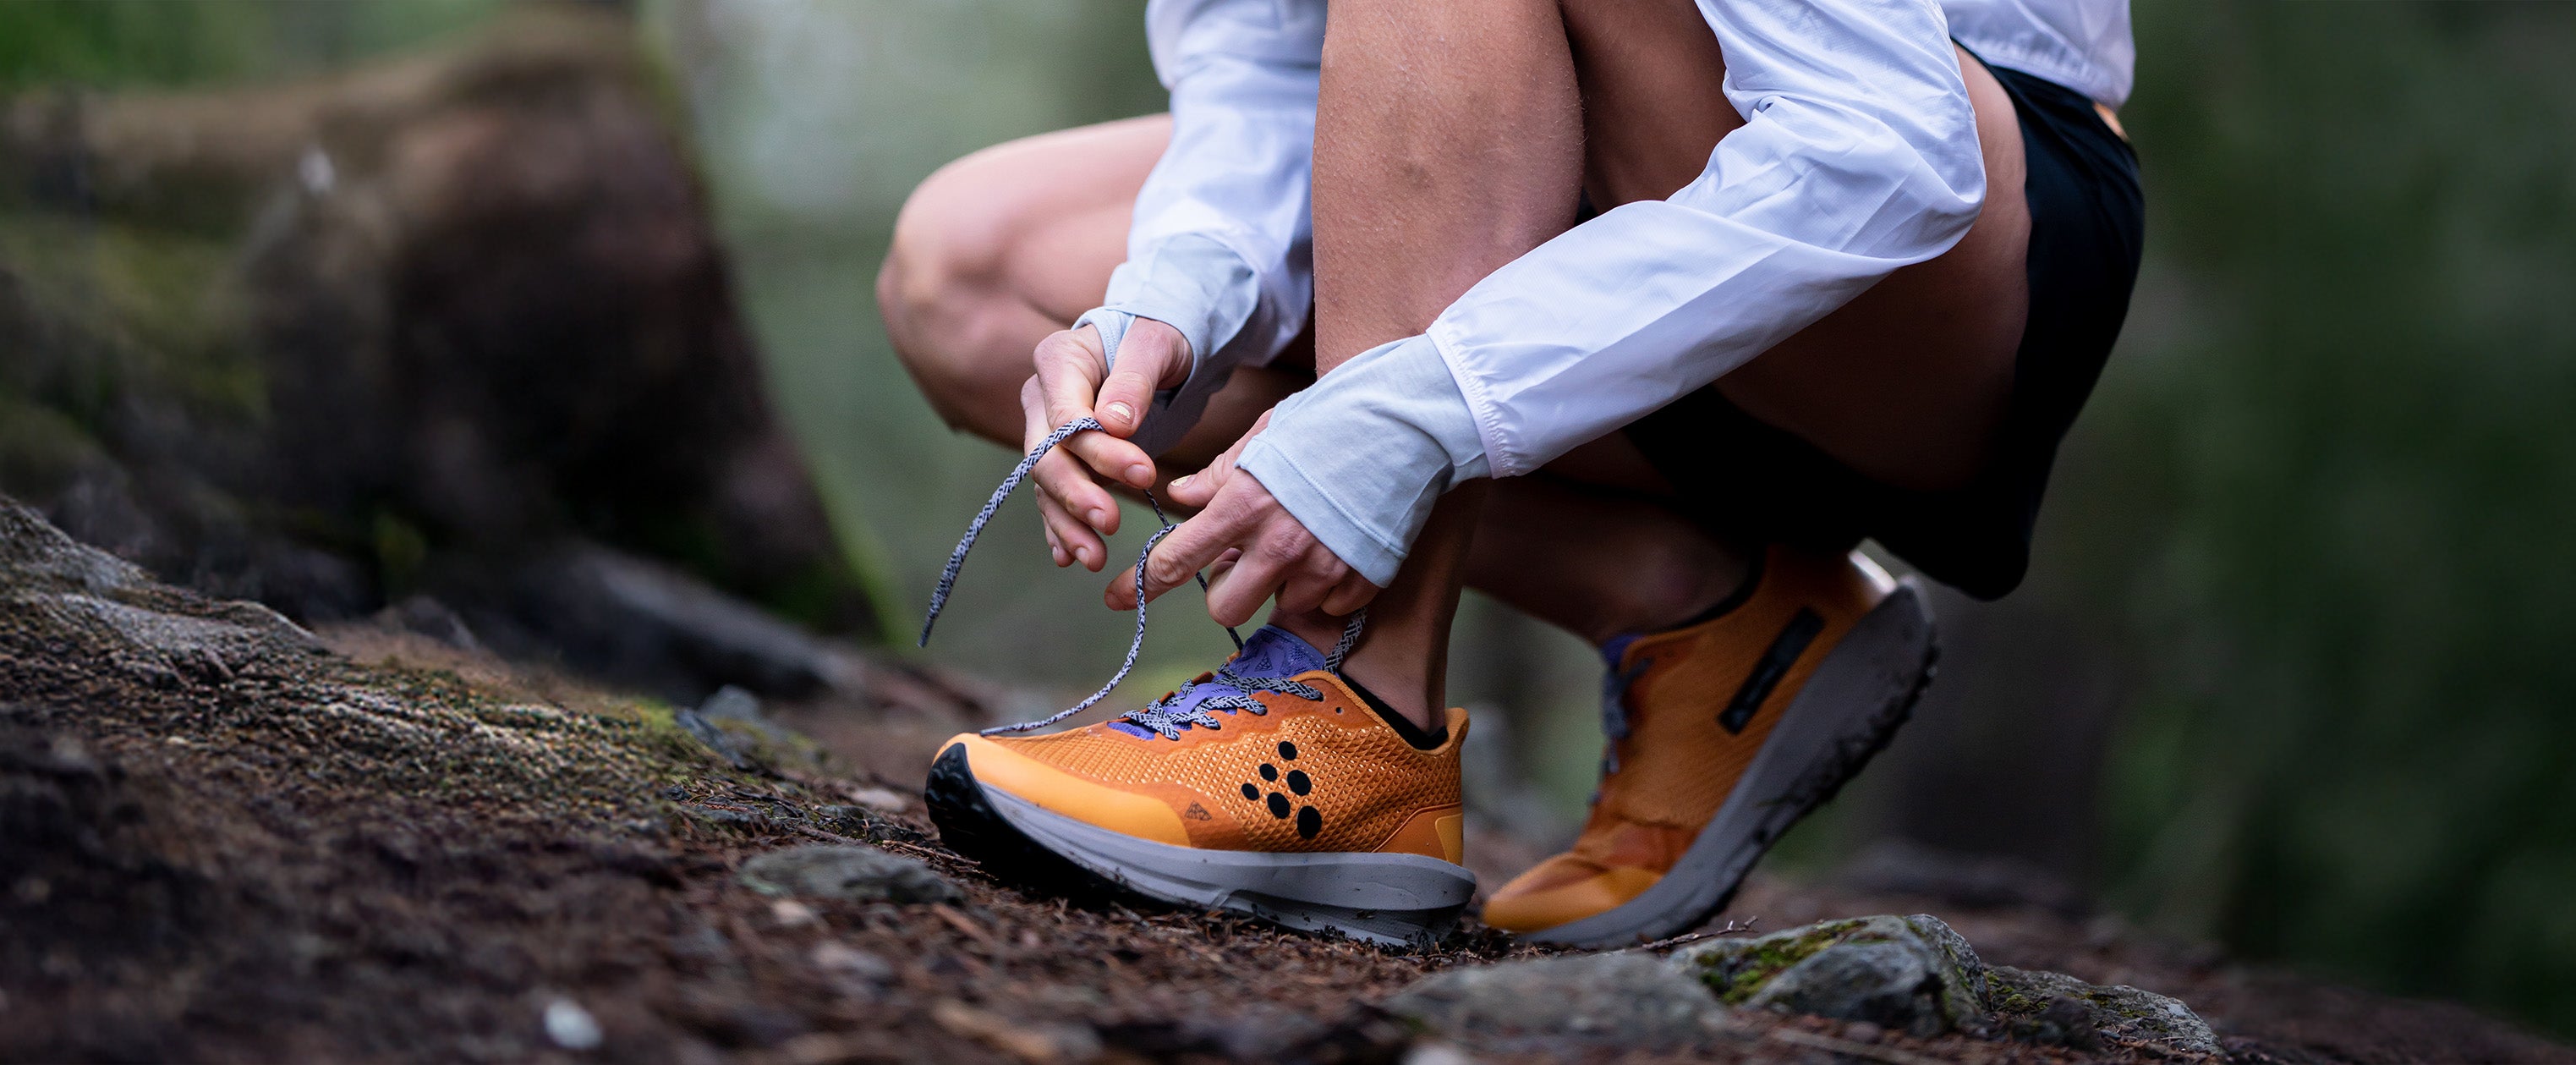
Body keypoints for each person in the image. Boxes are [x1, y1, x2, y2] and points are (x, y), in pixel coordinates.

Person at [877, 0, 2139, 947]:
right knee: (974, 275)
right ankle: (1702, 603)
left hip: (1934, 251)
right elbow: (1269, 64)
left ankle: (1353, 704)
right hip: (1577, 199)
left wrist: (1422, 407)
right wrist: (1171, 305)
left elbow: (1885, 148)